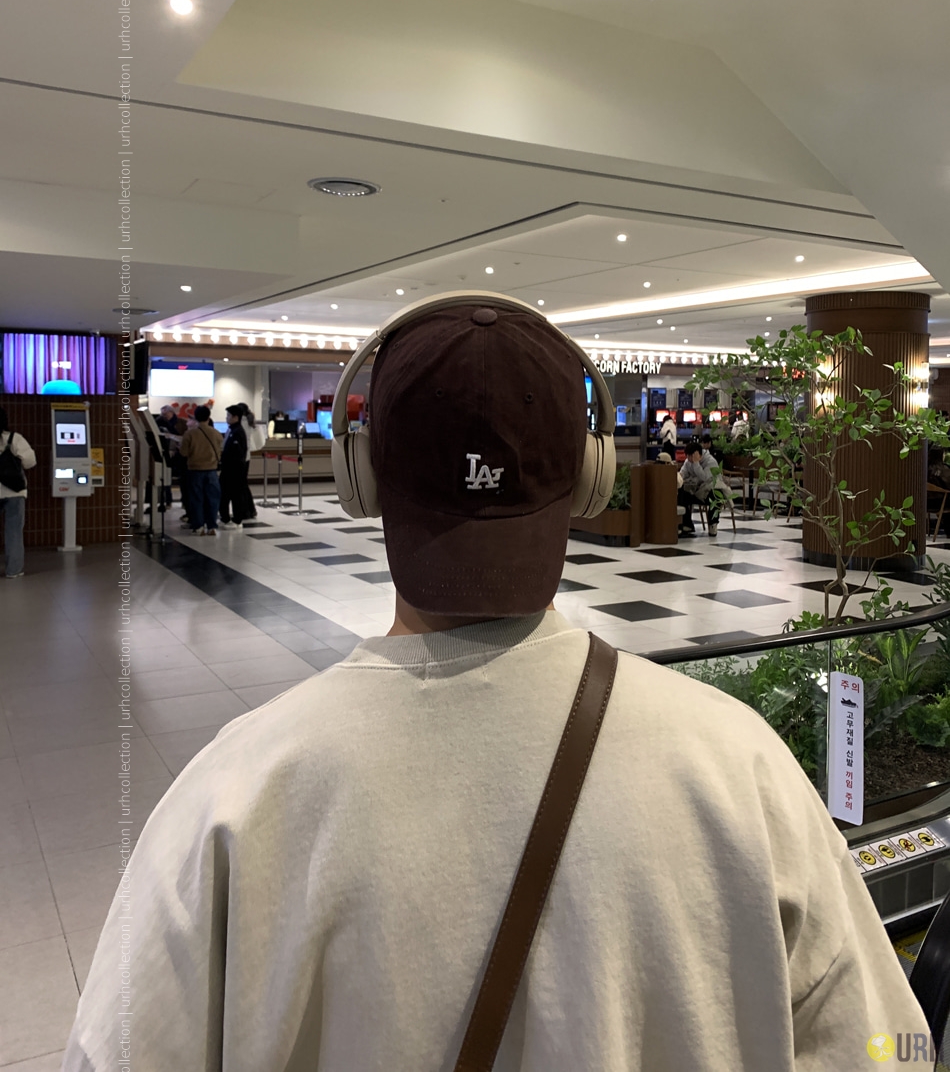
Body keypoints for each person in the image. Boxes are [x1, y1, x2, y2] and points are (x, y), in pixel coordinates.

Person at [64, 296, 930, 1072]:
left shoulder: (232, 798)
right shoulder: (741, 765)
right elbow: (892, 1046)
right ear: (588, 476)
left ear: (364, 479)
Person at [0, 407, 36, 578]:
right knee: (14, 532)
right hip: (15, 492)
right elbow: (30, 461)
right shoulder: (15, 439)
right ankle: (13, 570)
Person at [178, 404, 223, 536]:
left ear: (196, 418)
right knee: (213, 499)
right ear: (209, 417)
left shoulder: (190, 434)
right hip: (212, 470)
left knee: (196, 498)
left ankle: (199, 526)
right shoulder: (216, 433)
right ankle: (212, 526)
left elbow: (184, 453)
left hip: (195, 470)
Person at [219, 405, 253, 529]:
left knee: (235, 496)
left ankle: (237, 520)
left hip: (235, 471)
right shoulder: (232, 430)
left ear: (236, 417)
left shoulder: (238, 432)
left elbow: (237, 453)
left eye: (229, 415)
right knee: (224, 495)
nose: (226, 418)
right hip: (227, 469)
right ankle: (225, 518)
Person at [678, 439, 721, 537]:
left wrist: (696, 463)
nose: (689, 459)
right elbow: (683, 473)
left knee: (715, 495)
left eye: (691, 456)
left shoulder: (710, 461)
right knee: (681, 494)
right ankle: (687, 524)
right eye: (687, 456)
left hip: (709, 489)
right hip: (696, 490)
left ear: (698, 454)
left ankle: (713, 523)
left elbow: (704, 478)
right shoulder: (688, 461)